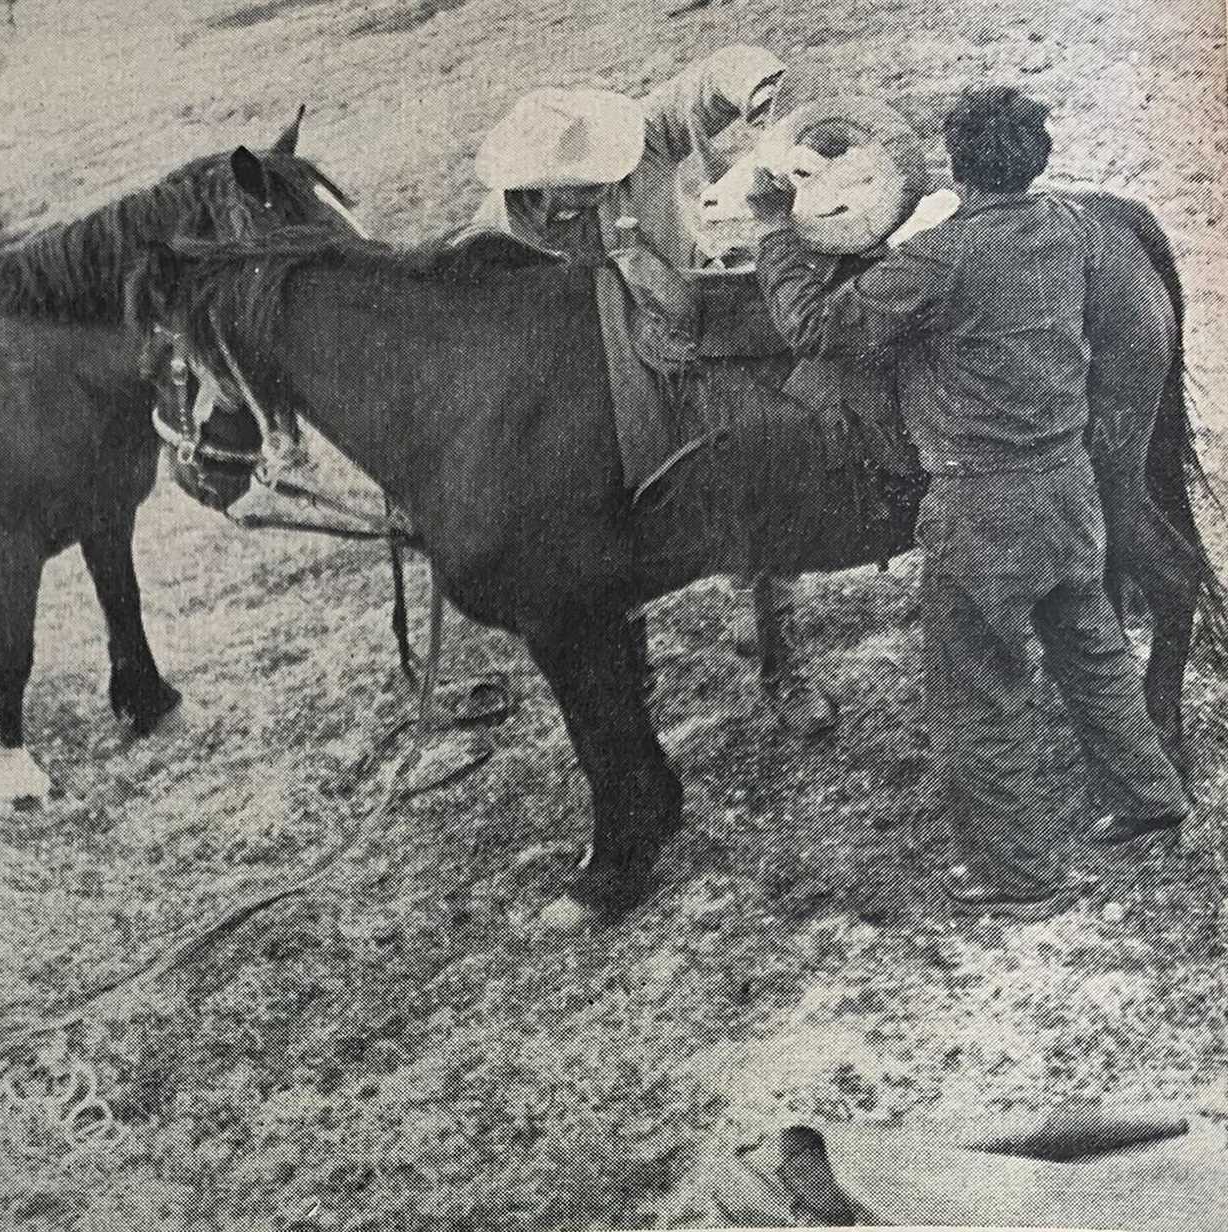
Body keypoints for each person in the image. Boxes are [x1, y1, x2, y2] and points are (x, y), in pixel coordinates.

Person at [747, 85, 1191, 919]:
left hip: (981, 501)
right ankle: (1150, 797)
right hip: (1067, 484)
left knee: (975, 685)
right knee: (1090, 647)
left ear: (953, 164)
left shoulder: (938, 261)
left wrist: (776, 227)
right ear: (1039, 161)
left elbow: (816, 331)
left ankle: (1017, 875)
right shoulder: (1068, 228)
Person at [468, 51, 839, 737]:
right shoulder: (495, 231)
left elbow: (720, 76)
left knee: (760, 474)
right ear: (533, 184)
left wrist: (760, 93)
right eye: (571, 189)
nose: (588, 197)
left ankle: (781, 661)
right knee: (600, 528)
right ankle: (631, 681)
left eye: (597, 184)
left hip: (695, 344)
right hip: (595, 388)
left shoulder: (640, 136)